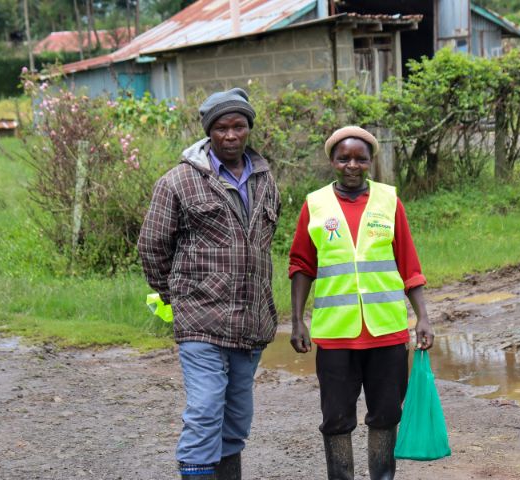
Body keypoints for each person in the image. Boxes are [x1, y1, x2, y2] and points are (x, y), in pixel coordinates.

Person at [138, 88, 280, 480]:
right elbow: (152, 246)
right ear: (208, 132)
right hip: (199, 320)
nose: (231, 135)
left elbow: (263, 244)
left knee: (236, 418)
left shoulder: (265, 179)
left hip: (250, 321)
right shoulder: (178, 182)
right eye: (221, 128)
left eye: (238, 126)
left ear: (249, 129)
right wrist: (178, 297)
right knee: (204, 412)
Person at [289, 126, 434, 480]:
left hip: (386, 333)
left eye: (360, 158)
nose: (352, 165)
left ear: (371, 162)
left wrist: (423, 318)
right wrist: (296, 320)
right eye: (344, 158)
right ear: (332, 161)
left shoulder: (389, 201)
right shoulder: (315, 205)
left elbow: (408, 264)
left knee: (386, 415)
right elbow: (301, 266)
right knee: (336, 419)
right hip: (337, 335)